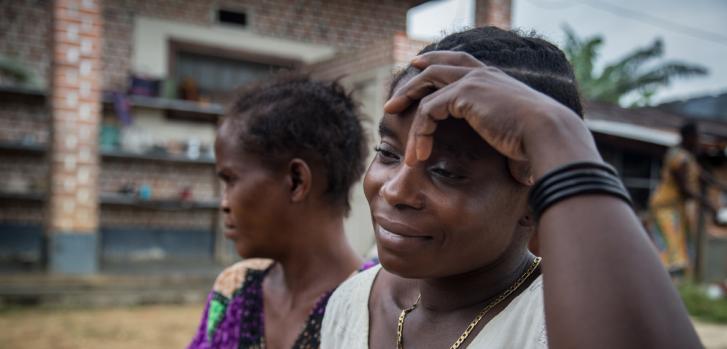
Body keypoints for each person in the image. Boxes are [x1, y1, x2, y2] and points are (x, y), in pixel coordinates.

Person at [321, 27, 701, 348]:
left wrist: (557, 132)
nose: (395, 191)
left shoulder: (555, 326)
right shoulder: (352, 304)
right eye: (388, 153)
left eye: (447, 172)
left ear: (533, 202)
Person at [188, 76, 369, 349]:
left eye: (231, 179)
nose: (223, 203)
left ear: (296, 181)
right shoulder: (233, 290)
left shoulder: (374, 307)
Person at [649, 122, 724, 275]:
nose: (698, 140)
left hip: (676, 207)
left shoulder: (688, 156)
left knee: (680, 246)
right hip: (665, 206)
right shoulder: (679, 157)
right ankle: (665, 283)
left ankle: (675, 284)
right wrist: (708, 204)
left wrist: (721, 187)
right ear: (688, 137)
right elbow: (685, 189)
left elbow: (703, 177)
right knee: (670, 246)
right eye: (696, 136)